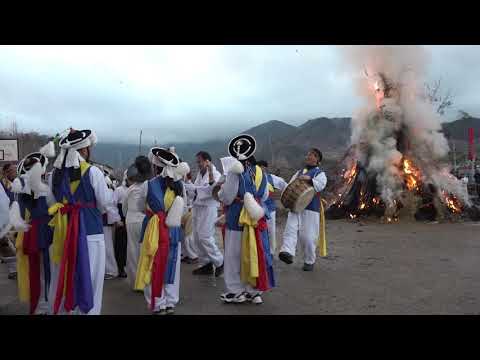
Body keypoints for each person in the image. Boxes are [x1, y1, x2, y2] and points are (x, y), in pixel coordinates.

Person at [48, 128, 120, 315]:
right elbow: (104, 203)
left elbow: (51, 202)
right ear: (84, 150)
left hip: (63, 232)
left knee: (65, 276)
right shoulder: (93, 172)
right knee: (92, 279)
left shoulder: (53, 175)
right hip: (90, 231)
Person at [217, 134, 275, 304]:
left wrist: (220, 192)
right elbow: (264, 195)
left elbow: (227, 197)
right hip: (255, 216)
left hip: (237, 217)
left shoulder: (235, 171)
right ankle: (253, 291)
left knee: (234, 255)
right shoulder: (259, 171)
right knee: (254, 252)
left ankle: (236, 292)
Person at [135, 147, 189, 315]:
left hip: (153, 230)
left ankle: (157, 302)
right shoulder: (180, 186)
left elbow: (140, 207)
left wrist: (155, 214)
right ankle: (170, 301)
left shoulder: (148, 185)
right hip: (173, 231)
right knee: (172, 265)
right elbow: (184, 208)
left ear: (155, 166)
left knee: (152, 264)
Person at [11, 142, 56, 314]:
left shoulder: (27, 184)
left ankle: (43, 304)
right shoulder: (28, 185)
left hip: (39, 230)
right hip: (39, 231)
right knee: (40, 270)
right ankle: (42, 305)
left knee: (40, 270)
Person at [279, 148, 327, 272]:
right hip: (296, 206)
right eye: (309, 154)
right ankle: (287, 252)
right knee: (290, 229)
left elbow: (321, 185)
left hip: (311, 208)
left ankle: (309, 260)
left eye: (313, 155)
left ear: (318, 160)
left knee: (308, 237)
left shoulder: (319, 173)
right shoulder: (299, 172)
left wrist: (310, 180)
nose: (310, 156)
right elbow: (290, 185)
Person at [185, 151, 223, 276]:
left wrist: (193, 189)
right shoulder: (200, 175)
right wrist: (188, 185)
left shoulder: (215, 174)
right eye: (197, 162)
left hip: (208, 208)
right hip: (197, 208)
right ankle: (205, 263)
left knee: (205, 237)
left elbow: (212, 189)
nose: (198, 164)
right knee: (196, 237)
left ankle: (220, 262)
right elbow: (195, 192)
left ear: (207, 161)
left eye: (199, 161)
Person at [123, 156, 151, 289]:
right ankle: (145, 280)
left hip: (131, 220)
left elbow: (124, 207)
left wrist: (126, 216)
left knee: (133, 250)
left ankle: (136, 282)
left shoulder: (131, 189)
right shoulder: (149, 185)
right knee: (145, 250)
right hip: (145, 219)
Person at [256, 160, 287, 255]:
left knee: (271, 231)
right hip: (257, 210)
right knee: (259, 231)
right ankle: (261, 251)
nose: (260, 169)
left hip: (270, 209)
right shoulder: (254, 178)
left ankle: (271, 252)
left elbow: (285, 186)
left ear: (265, 168)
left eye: (262, 167)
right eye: (258, 167)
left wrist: (284, 198)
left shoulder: (273, 178)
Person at [113, 171, 128, 279]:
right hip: (121, 221)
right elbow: (112, 205)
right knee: (120, 245)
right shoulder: (119, 190)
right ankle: (120, 268)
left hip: (131, 219)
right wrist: (117, 219)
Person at [181, 172, 199, 264]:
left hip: (189, 211)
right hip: (186, 212)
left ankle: (193, 256)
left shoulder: (190, 186)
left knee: (188, 236)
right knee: (184, 235)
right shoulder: (185, 185)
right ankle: (187, 254)